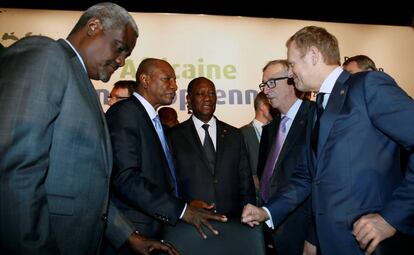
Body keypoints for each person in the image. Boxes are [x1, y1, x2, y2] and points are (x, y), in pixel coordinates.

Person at [0, 3, 177, 255]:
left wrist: (129, 236)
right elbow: (15, 170)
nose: (121, 60)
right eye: (120, 48)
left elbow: (89, 188)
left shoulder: (81, 81)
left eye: (126, 55)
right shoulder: (47, 55)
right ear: (93, 27)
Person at [242, 25, 414, 255]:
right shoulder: (316, 110)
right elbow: (308, 178)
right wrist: (268, 212)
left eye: (292, 64)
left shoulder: (367, 86)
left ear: (313, 56)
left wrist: (391, 217)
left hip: (370, 245)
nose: (291, 74)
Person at [105, 59, 228, 253]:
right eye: (167, 79)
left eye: (175, 80)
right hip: (133, 234)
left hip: (155, 230)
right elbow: (126, 178)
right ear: (145, 80)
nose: (174, 85)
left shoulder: (153, 121)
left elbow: (158, 176)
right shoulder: (125, 113)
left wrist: (183, 202)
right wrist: (181, 210)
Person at [168, 77, 256, 218]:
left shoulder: (235, 135)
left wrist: (249, 215)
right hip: (191, 222)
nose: (207, 98)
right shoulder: (173, 136)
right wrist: (185, 206)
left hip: (232, 221)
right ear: (189, 99)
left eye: (211, 93)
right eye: (200, 94)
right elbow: (169, 183)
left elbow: (245, 180)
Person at [256, 60, 315, 255]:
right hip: (270, 232)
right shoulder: (270, 129)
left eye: (271, 83)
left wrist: (313, 237)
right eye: (263, 84)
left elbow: (320, 183)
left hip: (303, 234)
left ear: (291, 81)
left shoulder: (315, 118)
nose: (265, 90)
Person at [240, 91, 273, 191]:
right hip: (253, 197)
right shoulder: (241, 134)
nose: (277, 108)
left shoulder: (279, 131)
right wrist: (251, 177)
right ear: (263, 106)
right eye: (272, 103)